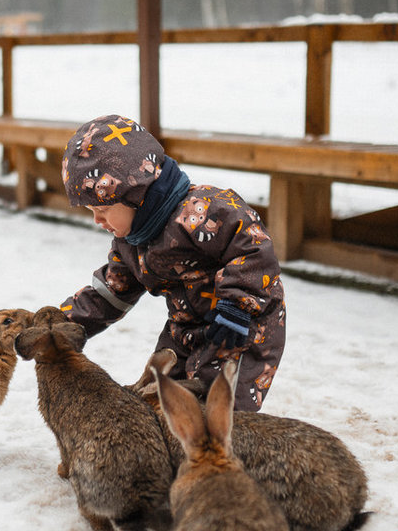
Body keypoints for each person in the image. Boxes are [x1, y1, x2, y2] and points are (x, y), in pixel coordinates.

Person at [58, 114, 286, 411]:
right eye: (91, 210)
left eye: (103, 208)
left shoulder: (203, 210)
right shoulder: (130, 243)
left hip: (240, 326)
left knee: (217, 410)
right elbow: (111, 293)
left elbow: (254, 247)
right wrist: (61, 325)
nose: (97, 220)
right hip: (185, 329)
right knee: (162, 397)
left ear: (136, 193)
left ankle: (227, 453)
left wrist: (238, 304)